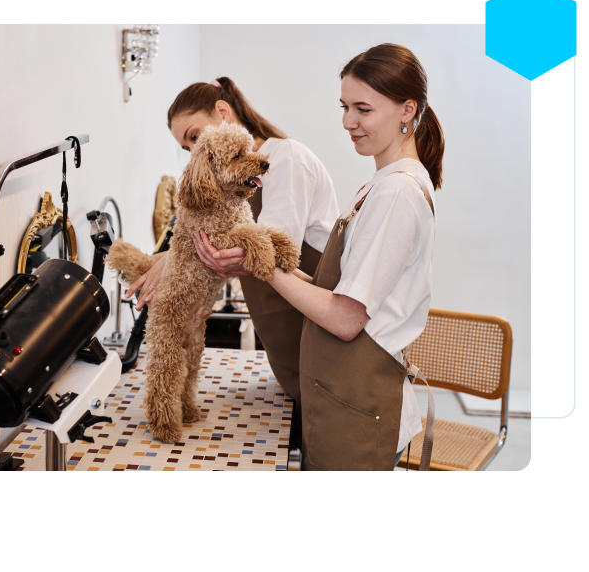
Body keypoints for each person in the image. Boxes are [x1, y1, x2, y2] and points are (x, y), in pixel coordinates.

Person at [195, 44, 444, 470]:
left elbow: (346, 319)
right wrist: (257, 262)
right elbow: (333, 292)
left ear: (408, 109)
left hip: (358, 408)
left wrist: (261, 263)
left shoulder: (398, 192)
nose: (348, 122)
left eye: (363, 109)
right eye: (345, 106)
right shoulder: (380, 184)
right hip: (338, 395)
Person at [124, 77, 339, 450]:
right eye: (186, 145)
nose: (192, 150)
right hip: (286, 350)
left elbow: (261, 253)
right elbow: (207, 235)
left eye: (193, 136)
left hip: (317, 340)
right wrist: (167, 259)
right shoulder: (231, 190)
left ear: (223, 114)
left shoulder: (286, 159)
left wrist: (167, 261)